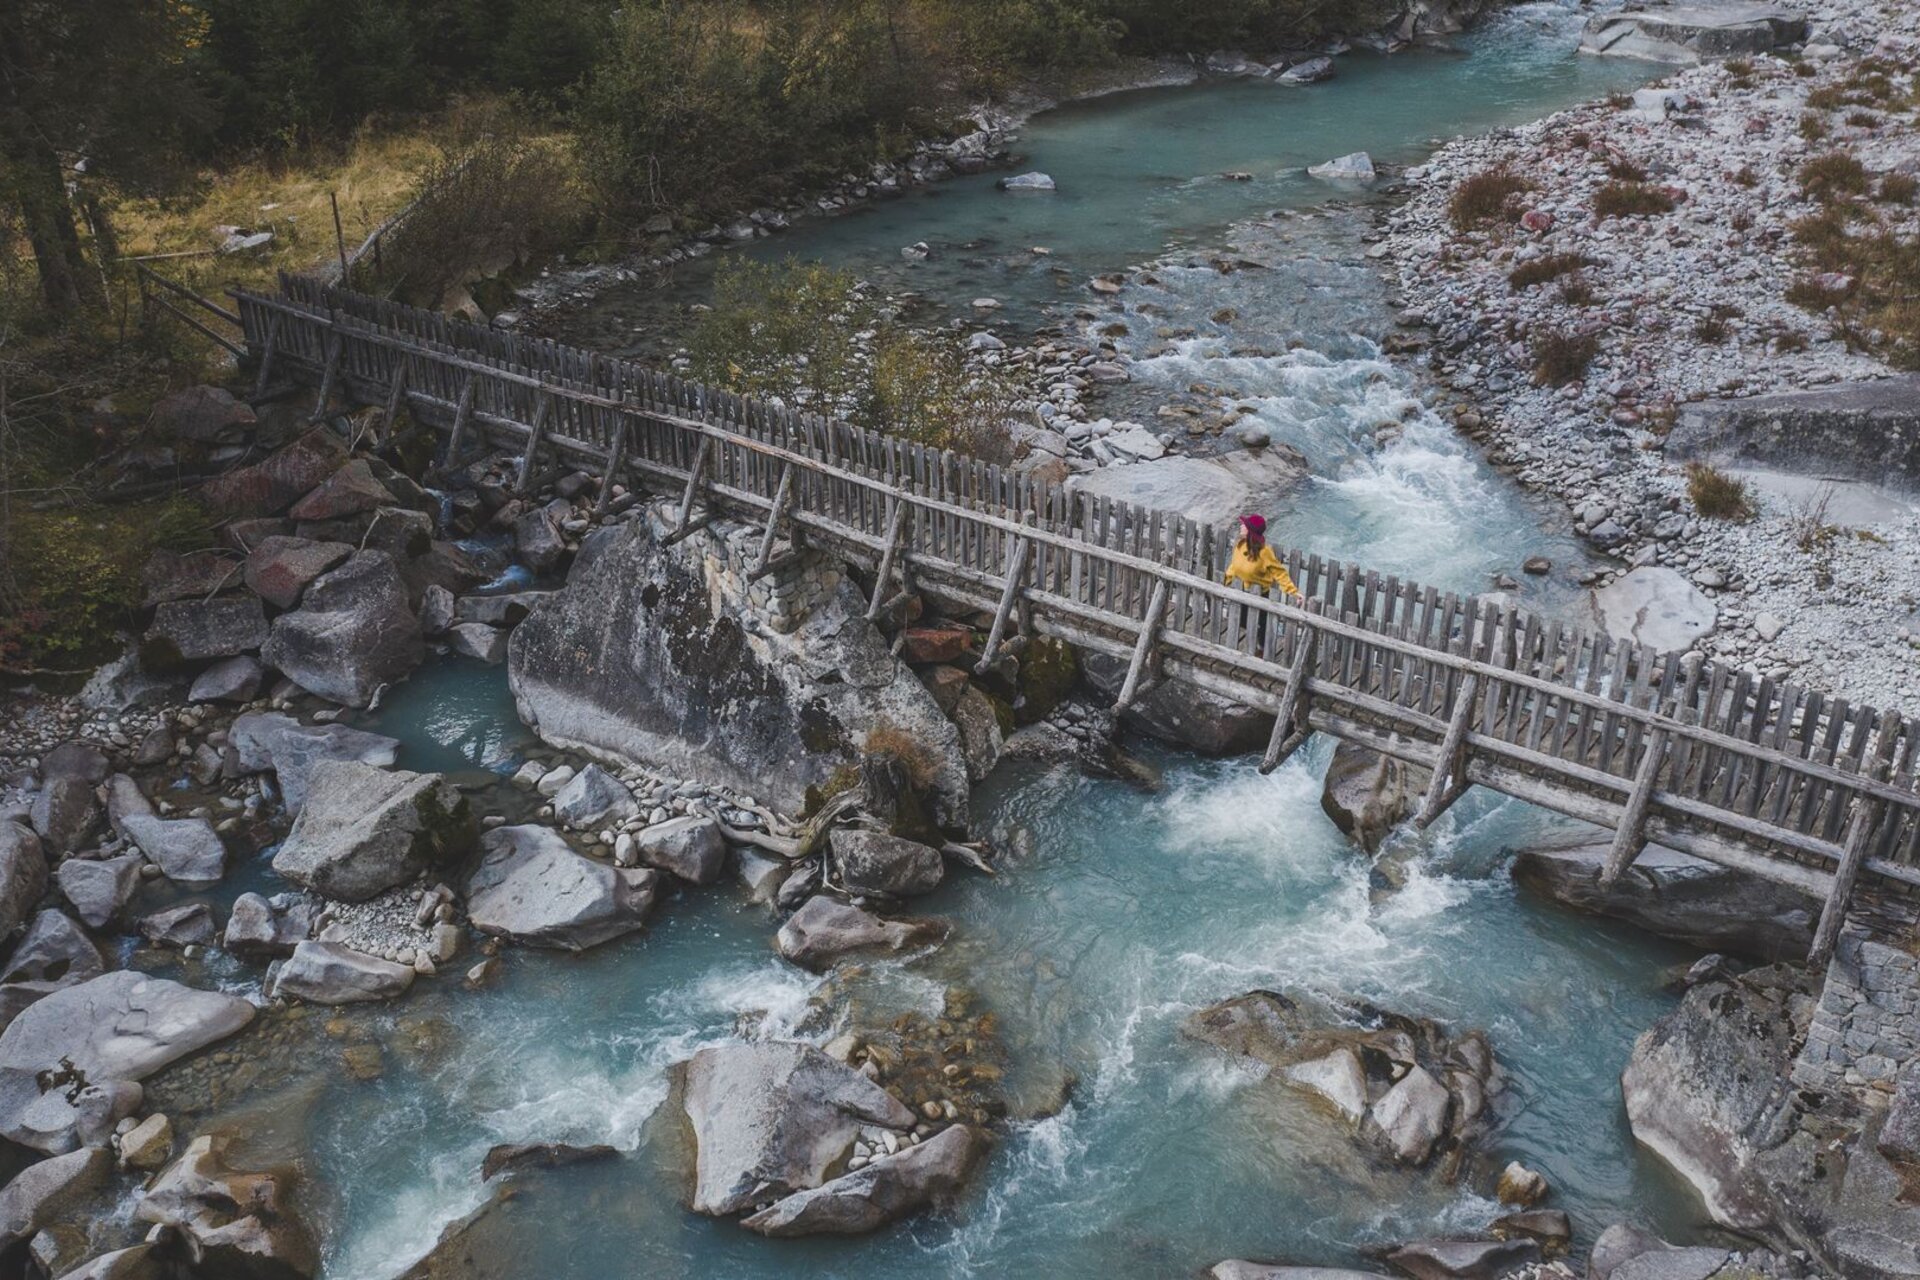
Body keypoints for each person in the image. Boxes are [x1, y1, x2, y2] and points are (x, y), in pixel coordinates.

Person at [1223, 514, 1302, 652]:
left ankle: (1262, 651)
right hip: (1240, 593)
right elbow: (1233, 567)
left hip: (1260, 596)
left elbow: (1279, 573)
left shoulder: (1265, 552)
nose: (1241, 526)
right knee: (1241, 623)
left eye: (1244, 525)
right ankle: (1244, 649)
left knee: (1261, 628)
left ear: (1250, 531)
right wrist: (1225, 582)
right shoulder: (1240, 545)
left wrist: (1293, 592)